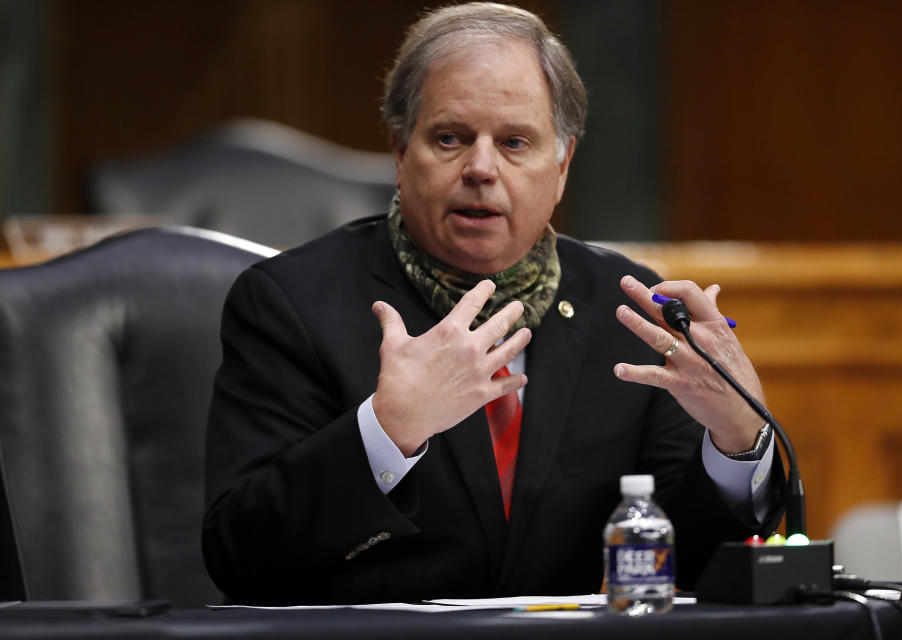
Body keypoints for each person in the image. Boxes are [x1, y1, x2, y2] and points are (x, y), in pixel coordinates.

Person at [203, 2, 783, 605]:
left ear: (561, 166)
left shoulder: (627, 310)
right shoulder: (290, 302)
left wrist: (737, 442)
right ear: (401, 154)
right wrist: (387, 432)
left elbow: (694, 561)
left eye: (514, 142)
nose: (480, 168)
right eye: (450, 138)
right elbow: (240, 556)